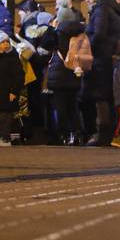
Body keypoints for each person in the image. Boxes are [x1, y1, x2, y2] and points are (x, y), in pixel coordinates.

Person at [82, 0, 120, 145]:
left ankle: (102, 134)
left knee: (100, 96)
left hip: (100, 58)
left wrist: (87, 48)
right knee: (106, 96)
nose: (87, 0)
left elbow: (99, 33)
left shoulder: (101, 10)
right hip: (108, 57)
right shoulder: (111, 9)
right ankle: (108, 133)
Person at [46, 10, 87, 144]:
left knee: (60, 107)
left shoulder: (58, 33)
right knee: (73, 106)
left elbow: (45, 45)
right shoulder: (81, 33)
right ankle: (77, 134)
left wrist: (52, 28)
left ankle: (62, 135)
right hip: (75, 73)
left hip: (58, 75)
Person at [0, 29, 24, 146]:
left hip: (7, 92)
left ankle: (5, 138)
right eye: (2, 42)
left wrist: (14, 91)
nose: (5, 44)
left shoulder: (13, 57)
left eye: (7, 42)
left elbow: (19, 76)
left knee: (6, 115)